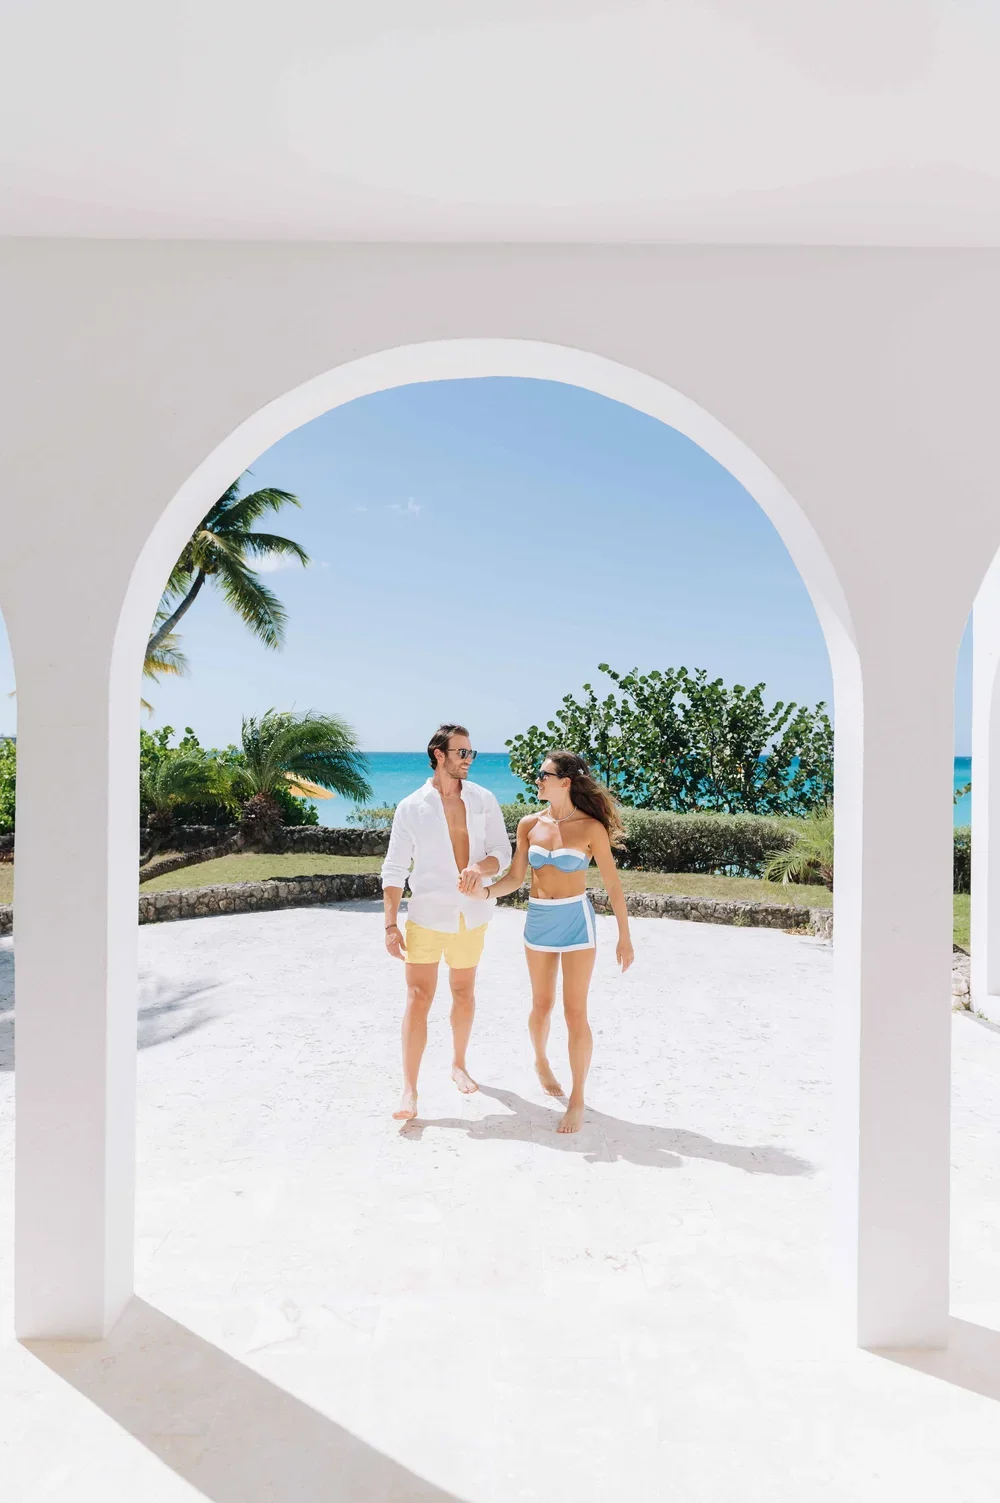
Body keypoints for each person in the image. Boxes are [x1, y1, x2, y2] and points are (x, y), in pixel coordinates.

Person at [470, 749, 634, 1134]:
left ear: (566, 782)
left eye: (544, 775)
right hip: (539, 920)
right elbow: (514, 879)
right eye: (537, 775)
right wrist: (486, 893)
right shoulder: (529, 824)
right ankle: (541, 1060)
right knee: (541, 1006)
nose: (538, 781)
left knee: (575, 1012)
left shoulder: (592, 828)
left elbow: (612, 883)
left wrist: (624, 936)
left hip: (576, 922)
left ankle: (577, 1099)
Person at [381, 723, 512, 1121]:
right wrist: (390, 924)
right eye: (462, 753)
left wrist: (478, 867)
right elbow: (394, 868)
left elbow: (502, 853)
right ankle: (409, 1090)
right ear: (439, 754)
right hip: (426, 916)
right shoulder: (411, 807)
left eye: (471, 753)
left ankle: (458, 1063)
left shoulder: (483, 799)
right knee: (418, 997)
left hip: (472, 916)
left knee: (463, 993)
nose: (469, 759)